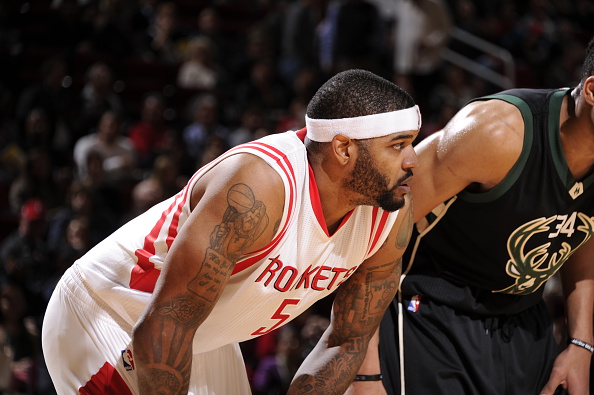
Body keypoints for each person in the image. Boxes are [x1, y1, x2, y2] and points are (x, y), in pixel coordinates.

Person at [41, 69, 421, 394]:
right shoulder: (263, 186)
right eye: (398, 145)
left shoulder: (389, 216)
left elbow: (347, 341)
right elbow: (165, 322)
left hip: (200, 331)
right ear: (343, 149)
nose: (413, 160)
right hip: (113, 312)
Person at [351, 36, 594, 395]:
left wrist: (581, 344)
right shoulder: (496, 132)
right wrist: (364, 370)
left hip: (525, 321)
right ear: (591, 90)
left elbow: (582, 238)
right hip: (433, 313)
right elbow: (376, 225)